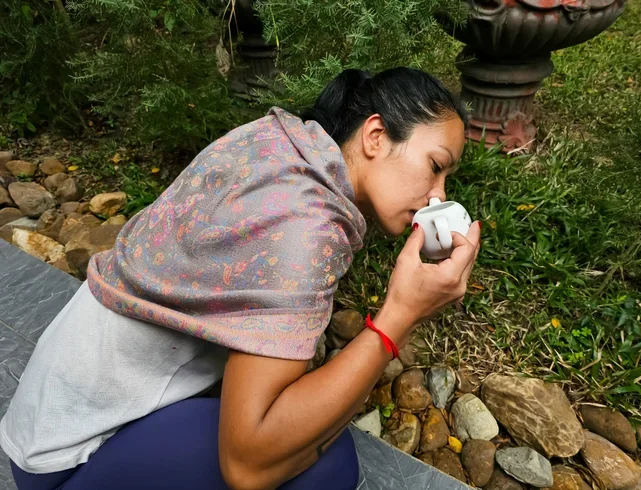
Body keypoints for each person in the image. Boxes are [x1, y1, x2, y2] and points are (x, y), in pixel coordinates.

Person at [0, 67, 480, 490]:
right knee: (328, 466)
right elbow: (246, 468)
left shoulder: (279, 143)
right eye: (435, 166)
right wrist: (400, 316)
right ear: (375, 135)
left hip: (41, 425)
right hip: (68, 463)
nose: (437, 197)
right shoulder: (305, 227)